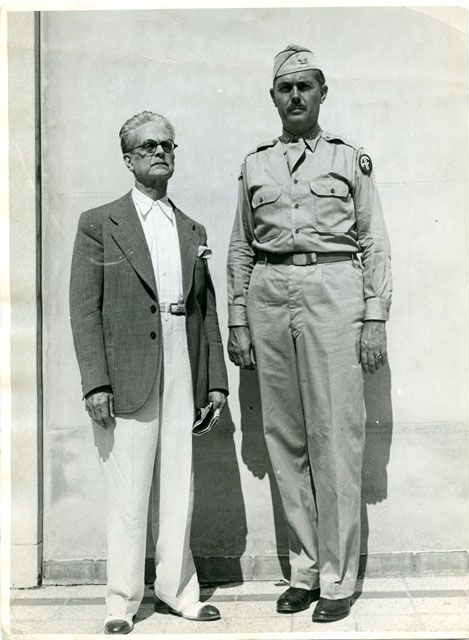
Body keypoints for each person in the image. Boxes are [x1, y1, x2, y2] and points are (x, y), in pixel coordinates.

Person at [227, 45, 392, 623]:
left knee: (335, 436)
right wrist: (238, 318)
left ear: (323, 93)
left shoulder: (349, 159)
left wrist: (374, 315)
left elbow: (373, 241)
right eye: (285, 88)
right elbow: (241, 246)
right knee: (285, 435)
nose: (295, 96)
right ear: (273, 97)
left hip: (333, 291)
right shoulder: (255, 165)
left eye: (305, 86)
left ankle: (338, 579)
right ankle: (305, 569)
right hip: (269, 293)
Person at [70, 111, 228, 634]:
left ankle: (179, 590)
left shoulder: (192, 228)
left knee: (179, 482)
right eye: (148, 146)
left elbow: (206, 311)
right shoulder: (99, 223)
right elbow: (84, 309)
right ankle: (121, 600)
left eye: (167, 145)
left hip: (182, 357)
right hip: (127, 370)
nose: (160, 152)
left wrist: (215, 381)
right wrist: (96, 382)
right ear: (128, 159)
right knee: (128, 490)